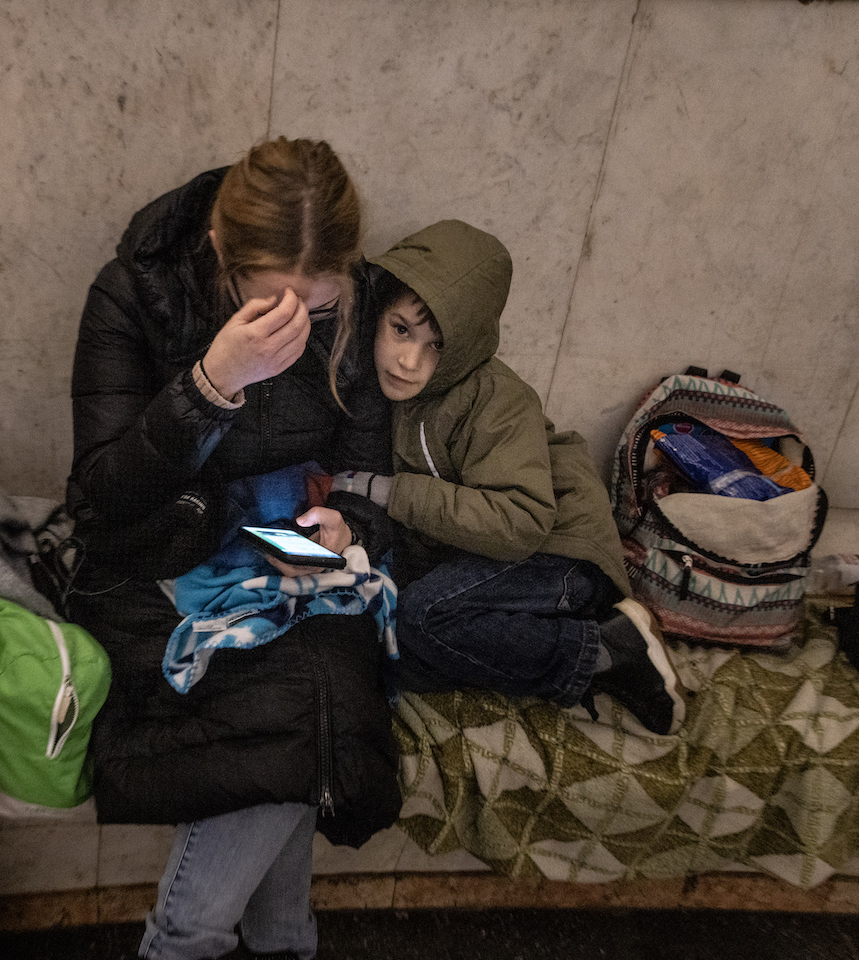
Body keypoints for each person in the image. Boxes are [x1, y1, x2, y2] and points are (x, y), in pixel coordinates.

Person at [64, 137, 399, 960]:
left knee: (304, 721)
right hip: (159, 567)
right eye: (270, 305)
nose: (296, 324)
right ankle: (202, 940)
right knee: (285, 738)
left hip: (300, 574)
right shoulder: (134, 293)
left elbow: (369, 471)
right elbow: (101, 503)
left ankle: (270, 941)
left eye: (314, 310)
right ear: (219, 253)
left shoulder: (360, 304)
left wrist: (350, 523)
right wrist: (211, 384)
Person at [335, 218, 686, 736]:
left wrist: (388, 493)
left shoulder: (497, 399)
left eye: (437, 345)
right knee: (396, 657)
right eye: (401, 329)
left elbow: (522, 520)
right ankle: (574, 636)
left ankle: (607, 651)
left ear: (465, 348)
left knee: (424, 617)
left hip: (562, 551)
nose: (408, 360)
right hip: (491, 554)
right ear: (378, 316)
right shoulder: (389, 390)